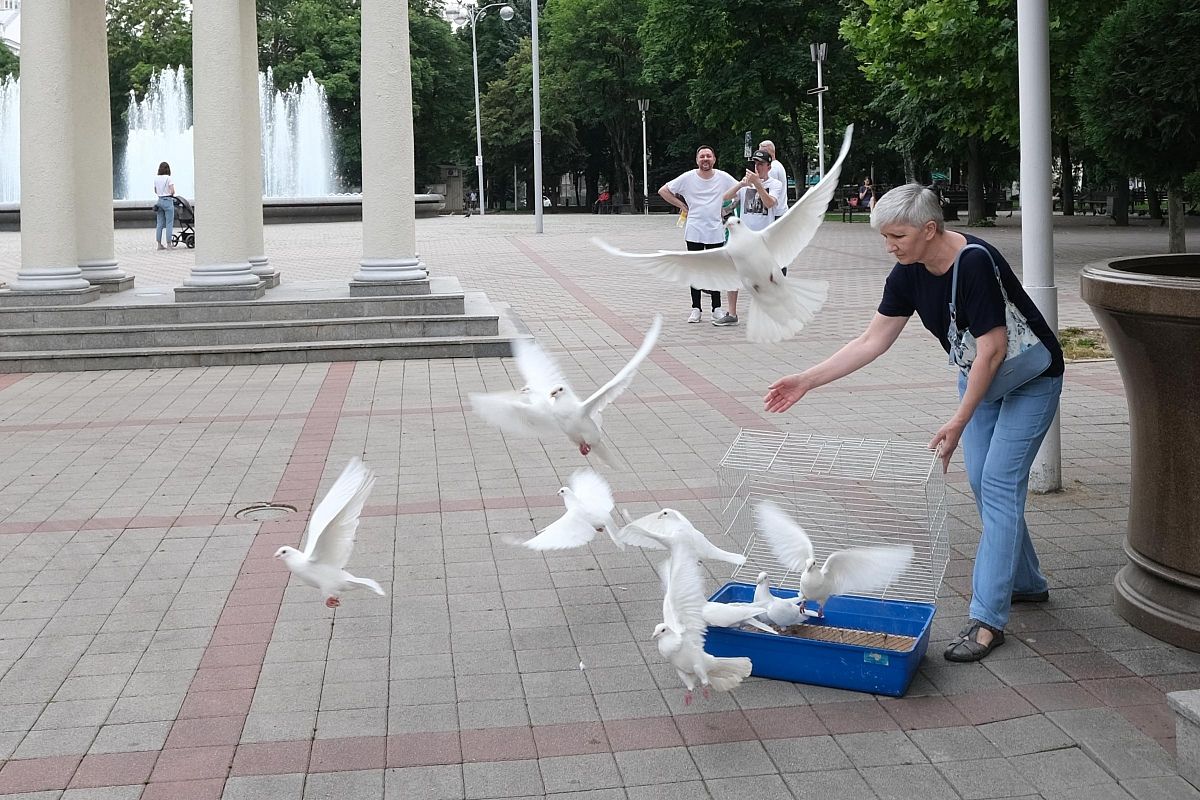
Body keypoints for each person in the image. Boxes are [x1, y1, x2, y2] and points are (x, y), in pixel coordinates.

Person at [763, 183, 1064, 663]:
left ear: (929, 229)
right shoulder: (907, 271)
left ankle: (987, 619)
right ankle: (1026, 582)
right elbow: (871, 340)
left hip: (1028, 376)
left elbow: (994, 349)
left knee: (1000, 483)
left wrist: (959, 420)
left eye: (897, 236)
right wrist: (807, 380)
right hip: (982, 378)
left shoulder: (975, 263)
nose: (890, 246)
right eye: (884, 237)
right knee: (985, 485)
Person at [659, 145, 738, 323]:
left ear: (714, 159)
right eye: (702, 156)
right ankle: (696, 308)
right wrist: (682, 206)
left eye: (708, 156)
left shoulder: (723, 177)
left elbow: (739, 190)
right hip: (694, 229)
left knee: (715, 269)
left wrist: (727, 210)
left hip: (715, 230)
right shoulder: (687, 178)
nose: (705, 159)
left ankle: (717, 307)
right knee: (694, 269)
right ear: (697, 160)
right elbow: (664, 190)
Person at [717, 149, 785, 327]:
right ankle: (731, 313)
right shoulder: (746, 185)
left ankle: (771, 312)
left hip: (763, 239)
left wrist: (758, 185)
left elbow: (770, 203)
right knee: (733, 272)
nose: (757, 167)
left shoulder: (775, 184)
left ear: (769, 166)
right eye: (755, 164)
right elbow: (725, 198)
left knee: (766, 276)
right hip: (742, 239)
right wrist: (741, 185)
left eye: (761, 164)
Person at [758, 139, 789, 215]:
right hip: (780, 211)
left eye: (761, 152)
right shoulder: (778, 165)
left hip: (775, 213)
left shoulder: (772, 168)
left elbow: (768, 190)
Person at [153, 161, 176, 250]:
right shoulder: (169, 178)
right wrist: (170, 193)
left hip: (159, 201)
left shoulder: (156, 178)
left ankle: (159, 244)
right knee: (169, 223)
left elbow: (155, 191)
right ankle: (169, 244)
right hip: (167, 201)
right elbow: (172, 191)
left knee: (159, 224)